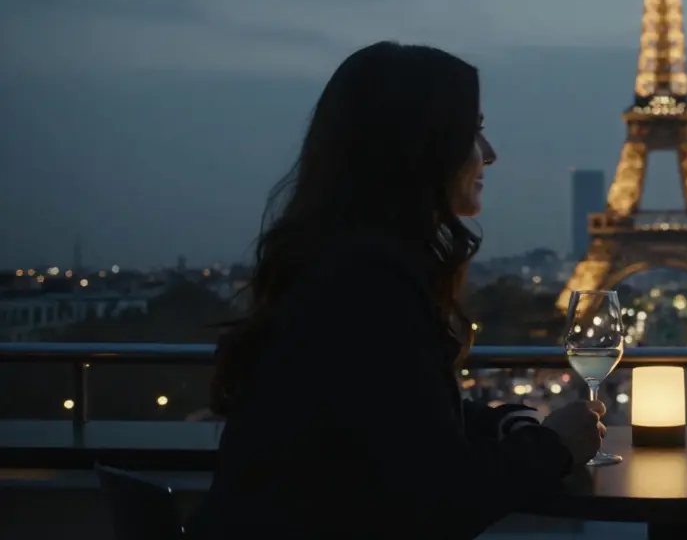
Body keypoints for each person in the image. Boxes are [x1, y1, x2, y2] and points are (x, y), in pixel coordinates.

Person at [187, 42, 604, 539]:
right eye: (474, 133)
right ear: (423, 147)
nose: (489, 156)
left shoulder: (338, 264)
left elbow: (400, 418)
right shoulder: (370, 284)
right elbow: (438, 496)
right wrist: (551, 449)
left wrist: (505, 423)